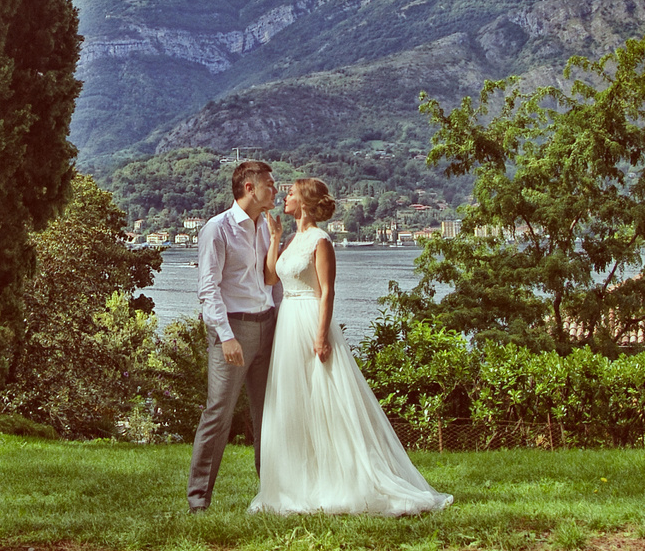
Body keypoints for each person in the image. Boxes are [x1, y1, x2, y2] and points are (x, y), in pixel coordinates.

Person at [250, 177, 451, 517]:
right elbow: (271, 278)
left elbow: (327, 291)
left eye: (292, 193)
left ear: (306, 202)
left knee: (327, 400)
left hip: (310, 320)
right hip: (287, 323)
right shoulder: (291, 239)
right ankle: (297, 482)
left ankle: (348, 478)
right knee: (293, 401)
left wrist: (321, 335)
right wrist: (272, 238)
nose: (285, 196)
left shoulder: (320, 240)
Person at [185, 159, 281, 512]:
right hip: (234, 329)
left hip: (268, 326)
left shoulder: (268, 227)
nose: (276, 189)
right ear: (249, 188)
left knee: (268, 414)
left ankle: (271, 495)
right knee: (218, 413)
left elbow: (274, 281)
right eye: (270, 184)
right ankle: (198, 502)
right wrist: (225, 336)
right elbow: (208, 289)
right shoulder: (218, 229)